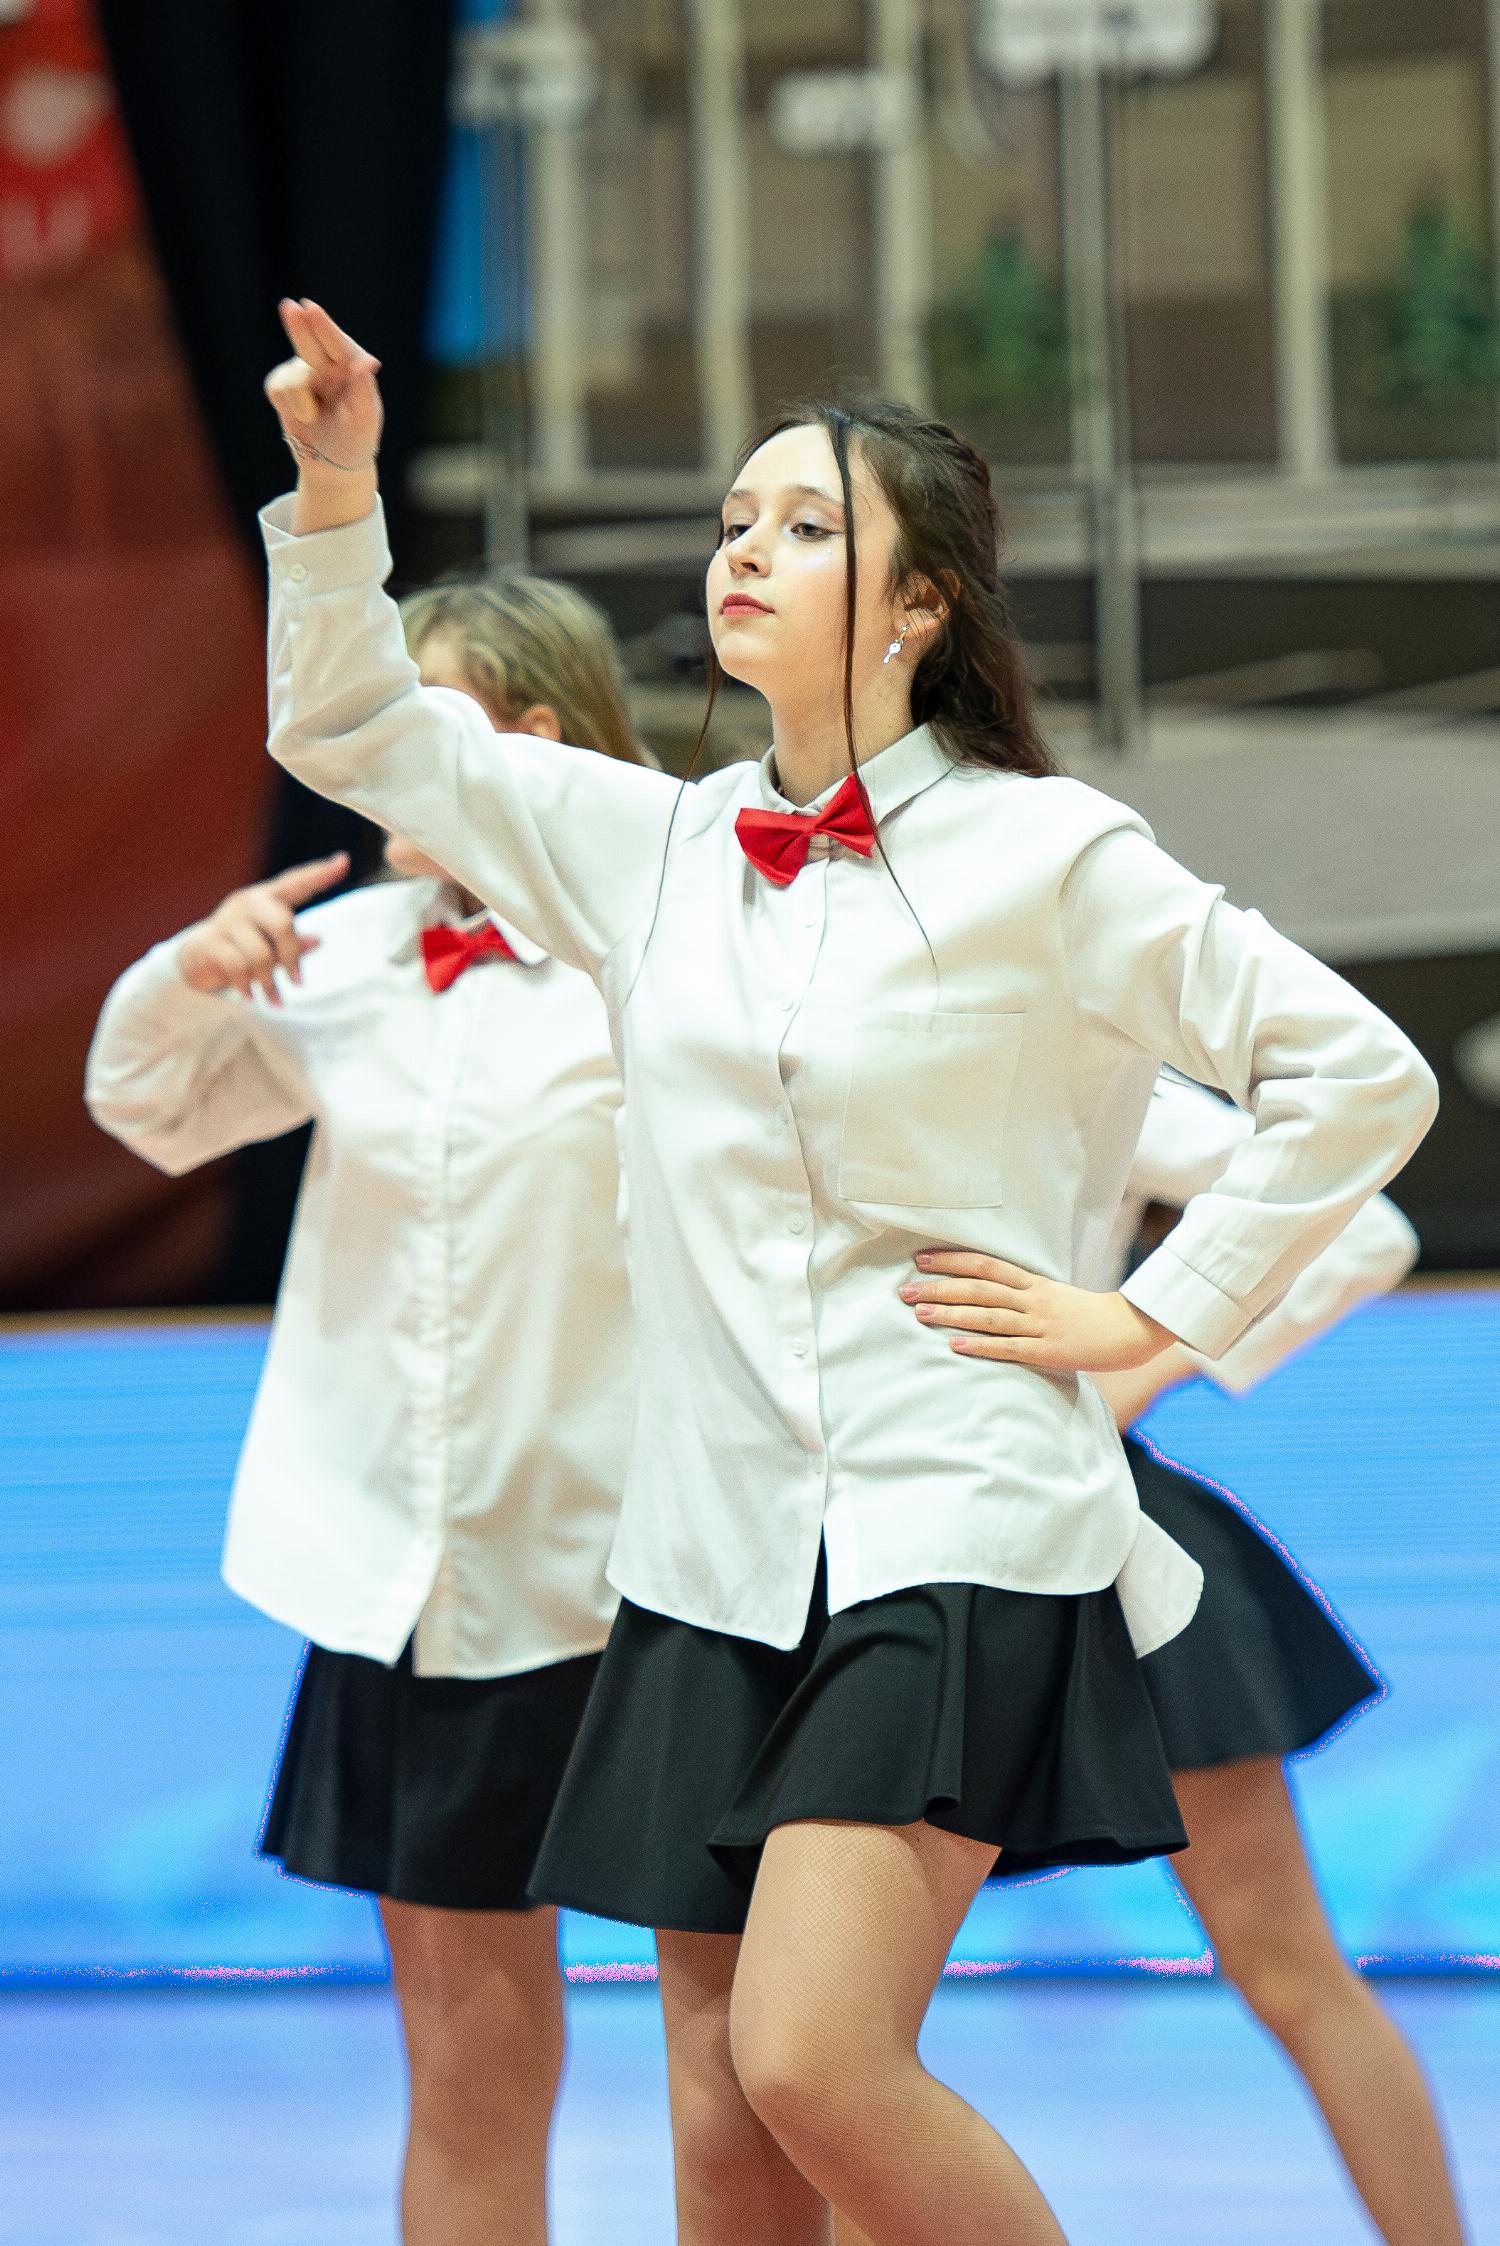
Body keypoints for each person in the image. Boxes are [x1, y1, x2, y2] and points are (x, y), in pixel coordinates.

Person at [257, 297, 1438, 2246]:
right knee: (724, 2129)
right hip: (704, 1558)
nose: (747, 549)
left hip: (954, 1527)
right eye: (736, 519)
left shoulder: (1052, 854)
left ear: (919, 605)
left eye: (807, 527)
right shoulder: (651, 847)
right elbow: (351, 727)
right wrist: (333, 491)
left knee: (811, 2055)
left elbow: (1359, 1078)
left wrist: (1155, 1317)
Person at [84, 564, 649, 2246]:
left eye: (414, 714)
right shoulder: (342, 953)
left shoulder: (664, 946)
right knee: (469, 2072)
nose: (367, 749)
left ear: (529, 740)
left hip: (654, 1580)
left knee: (764, 2059)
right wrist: (193, 968)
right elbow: (146, 1106)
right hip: (420, 1593)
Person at [879, 1068, 1470, 2246]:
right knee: (841, 2032)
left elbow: (1365, 1228)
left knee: (1286, 1964)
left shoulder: (1075, 1055)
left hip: (1099, 1547)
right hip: (881, 1552)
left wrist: (1130, 1370)